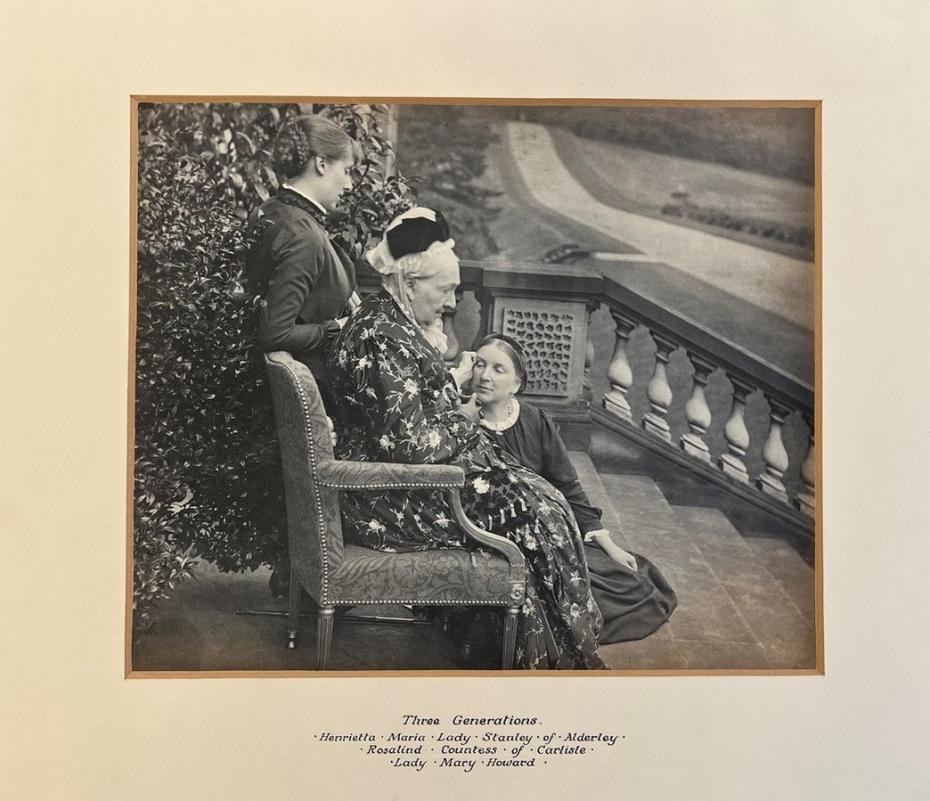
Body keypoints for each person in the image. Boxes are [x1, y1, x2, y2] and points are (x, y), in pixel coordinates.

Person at [327, 207, 606, 669]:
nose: (453, 301)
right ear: (409, 284)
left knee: (543, 503)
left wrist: (449, 395)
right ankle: (550, 660)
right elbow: (413, 448)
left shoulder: (390, 324)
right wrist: (466, 420)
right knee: (538, 514)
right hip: (389, 493)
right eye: (445, 289)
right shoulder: (382, 337)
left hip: (413, 479)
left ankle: (548, 652)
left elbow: (409, 413)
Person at [469, 334, 677, 644]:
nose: (485, 375)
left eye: (498, 369)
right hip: (491, 539)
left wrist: (609, 545)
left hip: (548, 538)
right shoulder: (461, 423)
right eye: (480, 365)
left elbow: (568, 485)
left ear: (516, 383)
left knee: (632, 583)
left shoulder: (534, 420)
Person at [245, 114, 361, 382]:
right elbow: (276, 333)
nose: (349, 184)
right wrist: (338, 328)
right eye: (346, 171)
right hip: (312, 385)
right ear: (321, 164)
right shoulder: (301, 232)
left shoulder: (273, 210)